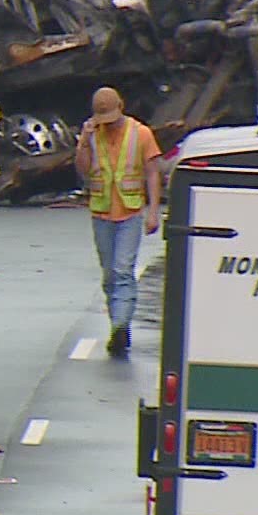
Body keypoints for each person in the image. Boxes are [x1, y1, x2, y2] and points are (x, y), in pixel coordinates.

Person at [74, 87, 162, 357]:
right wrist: (84, 141)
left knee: (123, 270)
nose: (108, 125)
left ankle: (121, 326)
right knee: (110, 274)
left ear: (121, 107)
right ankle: (117, 324)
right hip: (101, 212)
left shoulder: (141, 134)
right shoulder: (93, 135)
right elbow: (83, 169)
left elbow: (153, 173)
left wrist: (153, 210)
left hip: (130, 212)